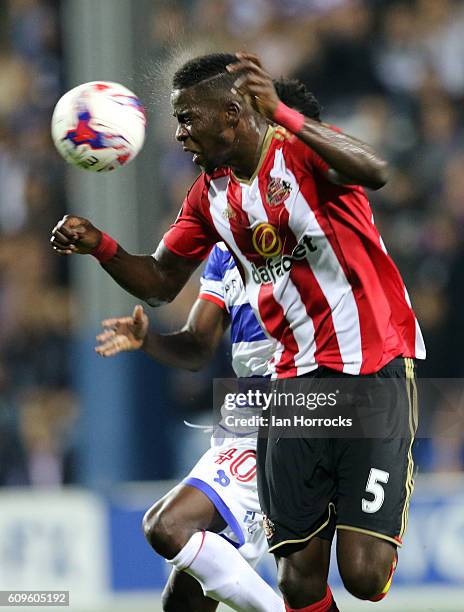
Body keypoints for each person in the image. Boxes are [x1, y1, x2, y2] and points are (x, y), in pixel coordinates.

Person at [51, 52, 424, 612]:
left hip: (375, 372)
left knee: (365, 576)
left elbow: (376, 170)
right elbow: (159, 281)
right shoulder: (209, 197)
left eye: (187, 119)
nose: (178, 134)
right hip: (296, 386)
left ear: (231, 112)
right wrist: (101, 245)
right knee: (298, 578)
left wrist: (285, 114)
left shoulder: (300, 152)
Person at [96, 241, 283, 612]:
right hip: (247, 416)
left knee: (167, 525)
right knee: (182, 601)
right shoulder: (223, 252)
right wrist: (148, 340)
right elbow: (198, 346)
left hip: (301, 405)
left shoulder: (296, 230)